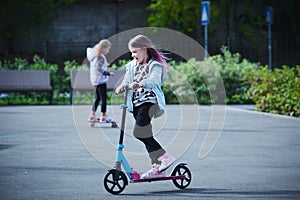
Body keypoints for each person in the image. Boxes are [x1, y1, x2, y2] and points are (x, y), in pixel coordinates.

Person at [115, 35, 175, 179]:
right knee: (146, 134)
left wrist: (141, 84)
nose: (133, 55)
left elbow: (154, 80)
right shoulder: (131, 66)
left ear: (144, 49)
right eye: (131, 52)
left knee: (139, 132)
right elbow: (127, 81)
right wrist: (121, 87)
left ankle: (165, 156)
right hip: (136, 104)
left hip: (150, 103)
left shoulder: (154, 65)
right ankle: (157, 167)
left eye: (135, 51)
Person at [87, 39, 114, 123]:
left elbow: (97, 66)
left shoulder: (95, 55)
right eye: (108, 49)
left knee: (98, 98)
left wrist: (105, 65)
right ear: (103, 48)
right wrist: (108, 73)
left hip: (95, 80)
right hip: (100, 81)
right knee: (104, 98)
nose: (108, 51)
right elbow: (99, 69)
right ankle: (103, 116)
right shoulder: (100, 57)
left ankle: (92, 115)